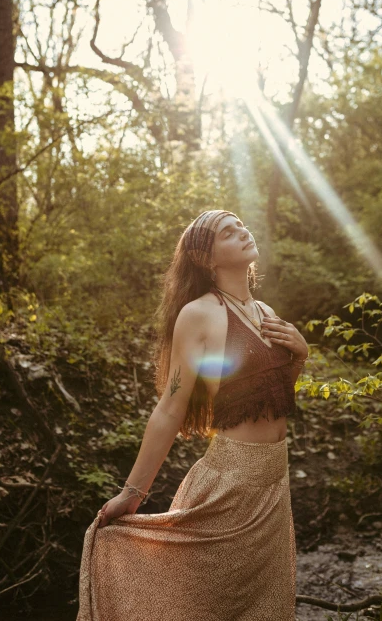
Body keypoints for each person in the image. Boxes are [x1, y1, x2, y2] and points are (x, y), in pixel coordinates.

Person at [76, 209, 310, 621]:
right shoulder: (198, 314)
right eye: (227, 231)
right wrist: (133, 493)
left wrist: (301, 356)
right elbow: (171, 405)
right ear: (206, 258)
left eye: (241, 225)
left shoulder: (267, 312)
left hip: (275, 483)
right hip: (230, 482)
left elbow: (275, 395)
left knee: (265, 608)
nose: (242, 231)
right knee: (205, 605)